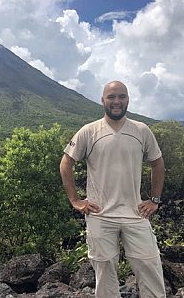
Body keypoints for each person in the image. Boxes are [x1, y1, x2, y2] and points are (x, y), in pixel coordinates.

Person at [60, 81, 166, 298]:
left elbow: (158, 163)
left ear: (128, 99)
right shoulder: (89, 131)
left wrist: (154, 199)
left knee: (149, 264)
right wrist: (75, 200)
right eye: (111, 97)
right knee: (105, 269)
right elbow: (66, 163)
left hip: (135, 213)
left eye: (121, 96)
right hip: (100, 214)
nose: (117, 101)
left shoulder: (141, 130)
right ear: (102, 100)